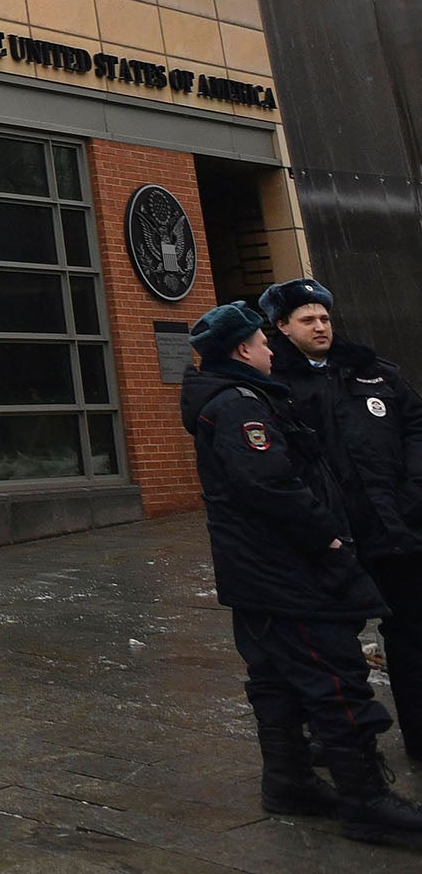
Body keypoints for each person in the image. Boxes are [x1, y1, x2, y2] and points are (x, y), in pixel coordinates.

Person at [181, 299, 422, 842]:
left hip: (258, 574)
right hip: (288, 573)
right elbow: (270, 484)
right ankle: (367, 799)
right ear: (242, 349)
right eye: (264, 342)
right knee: (336, 680)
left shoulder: (240, 397)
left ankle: (289, 780)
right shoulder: (241, 405)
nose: (271, 349)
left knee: (275, 679)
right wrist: (330, 539)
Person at [263, 276, 422, 761]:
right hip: (333, 540)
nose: (320, 326)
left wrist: (414, 491)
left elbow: (416, 426)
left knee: (413, 636)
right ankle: (343, 748)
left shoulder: (373, 371)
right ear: (282, 326)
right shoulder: (275, 384)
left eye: (325, 317)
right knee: (333, 648)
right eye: (307, 319)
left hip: (397, 531)